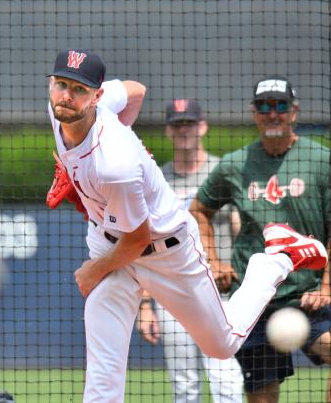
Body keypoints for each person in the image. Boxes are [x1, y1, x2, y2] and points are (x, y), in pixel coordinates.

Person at [44, 49, 327, 403]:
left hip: (164, 252)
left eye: (79, 89)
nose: (67, 96)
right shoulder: (62, 112)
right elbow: (136, 90)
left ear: (96, 96)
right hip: (108, 240)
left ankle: (276, 259)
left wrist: (91, 272)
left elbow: (137, 238)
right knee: (103, 369)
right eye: (60, 84)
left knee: (222, 344)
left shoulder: (114, 165)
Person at [189, 76, 331, 403]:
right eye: (264, 107)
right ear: (253, 113)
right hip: (254, 304)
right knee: (262, 398)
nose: (272, 114)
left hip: (308, 297)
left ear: (294, 112)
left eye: (280, 106)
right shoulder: (235, 165)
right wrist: (213, 260)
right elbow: (198, 210)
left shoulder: (321, 161)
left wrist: (325, 288)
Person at [136, 98, 244, 403]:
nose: (184, 129)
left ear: (203, 126)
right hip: (174, 293)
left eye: (190, 123)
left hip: (220, 293)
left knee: (227, 381)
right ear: (169, 130)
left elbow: (241, 227)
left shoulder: (222, 172)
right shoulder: (158, 179)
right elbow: (144, 243)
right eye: (178, 124)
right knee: (184, 386)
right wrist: (145, 305)